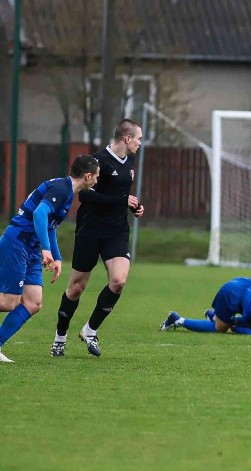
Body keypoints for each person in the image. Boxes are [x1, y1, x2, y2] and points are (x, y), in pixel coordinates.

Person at [50, 119, 145, 358]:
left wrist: (133, 206)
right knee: (76, 288)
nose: (140, 143)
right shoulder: (96, 162)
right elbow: (86, 197)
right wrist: (120, 201)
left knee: (118, 281)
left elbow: (118, 194)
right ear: (127, 138)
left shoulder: (131, 160)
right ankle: (59, 338)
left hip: (116, 231)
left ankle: (90, 330)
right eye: (139, 138)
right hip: (90, 231)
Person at [0, 156, 100, 362]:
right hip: (18, 243)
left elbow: (50, 225)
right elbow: (39, 214)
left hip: (32, 248)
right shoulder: (61, 189)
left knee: (33, 302)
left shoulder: (67, 191)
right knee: (10, 302)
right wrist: (46, 249)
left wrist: (56, 257)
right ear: (87, 176)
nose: (97, 181)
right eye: (96, 177)